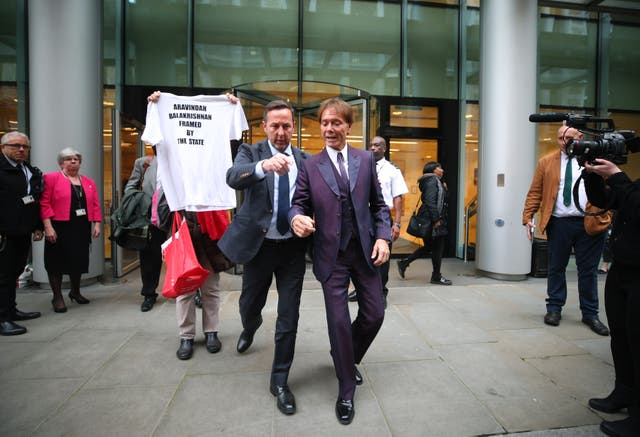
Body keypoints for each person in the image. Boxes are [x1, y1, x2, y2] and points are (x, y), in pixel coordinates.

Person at [289, 97, 391, 425]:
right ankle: (346, 387)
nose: (329, 129)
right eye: (324, 123)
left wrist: (382, 236)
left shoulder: (365, 159)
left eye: (336, 123)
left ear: (349, 126)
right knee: (338, 323)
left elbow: (379, 207)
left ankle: (344, 357)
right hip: (330, 256)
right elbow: (297, 204)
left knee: (375, 314)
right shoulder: (310, 165)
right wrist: (296, 219)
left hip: (364, 253)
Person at [218, 99, 310, 416]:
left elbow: (315, 199)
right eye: (275, 126)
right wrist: (264, 167)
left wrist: (310, 219)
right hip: (258, 248)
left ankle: (280, 380)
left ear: (293, 127)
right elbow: (232, 176)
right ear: (264, 126)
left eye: (286, 126)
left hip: (292, 250)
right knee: (249, 304)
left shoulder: (305, 160)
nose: (281, 132)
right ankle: (250, 325)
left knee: (289, 316)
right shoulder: (252, 153)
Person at [522, 125, 609, 336]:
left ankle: (590, 314)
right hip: (559, 223)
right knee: (556, 268)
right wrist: (527, 217)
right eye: (560, 138)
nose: (563, 142)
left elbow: (611, 188)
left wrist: (610, 215)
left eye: (568, 138)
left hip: (590, 224)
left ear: (580, 137)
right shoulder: (546, 162)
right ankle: (554, 309)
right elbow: (535, 192)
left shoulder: (595, 160)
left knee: (588, 271)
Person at [583, 158, 640, 437]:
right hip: (623, 269)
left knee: (637, 338)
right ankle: (624, 392)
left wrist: (617, 176)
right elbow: (606, 201)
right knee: (620, 335)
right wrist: (592, 175)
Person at [348, 136, 408, 306]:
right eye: (371, 145)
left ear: (385, 148)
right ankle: (361, 290)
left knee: (383, 255)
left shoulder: (392, 170)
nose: (373, 148)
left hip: (382, 217)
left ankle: (381, 291)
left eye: (377, 145)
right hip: (362, 217)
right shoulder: (361, 167)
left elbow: (397, 197)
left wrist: (396, 223)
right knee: (361, 254)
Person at [40, 148, 102, 312]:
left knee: (78, 260)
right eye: (68, 159)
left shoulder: (88, 181)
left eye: (76, 159)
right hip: (59, 226)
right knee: (56, 262)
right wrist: (48, 227)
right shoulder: (51, 178)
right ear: (61, 163)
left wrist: (97, 224)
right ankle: (57, 297)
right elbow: (44, 203)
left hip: (81, 227)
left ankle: (75, 292)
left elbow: (95, 204)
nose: (73, 161)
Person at [0, 132, 44, 335]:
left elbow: (34, 201)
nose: (21, 150)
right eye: (16, 146)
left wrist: (37, 226)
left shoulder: (28, 170)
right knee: (3, 276)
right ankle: (3, 319)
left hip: (23, 231)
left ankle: (11, 310)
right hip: (5, 233)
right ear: (3, 147)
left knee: (14, 273)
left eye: (25, 147)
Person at [396, 162, 452, 285]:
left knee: (431, 247)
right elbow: (430, 202)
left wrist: (445, 190)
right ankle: (436, 276)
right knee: (437, 248)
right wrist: (436, 220)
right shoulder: (432, 182)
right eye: (439, 167)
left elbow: (439, 200)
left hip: (431, 218)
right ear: (432, 170)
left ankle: (405, 262)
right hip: (432, 220)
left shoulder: (433, 182)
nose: (442, 170)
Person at [124, 148, 165, 312]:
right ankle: (149, 294)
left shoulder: (182, 161)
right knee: (149, 256)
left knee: (184, 253)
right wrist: (140, 201)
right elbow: (131, 186)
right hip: (149, 216)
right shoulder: (143, 163)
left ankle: (192, 291)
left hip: (175, 214)